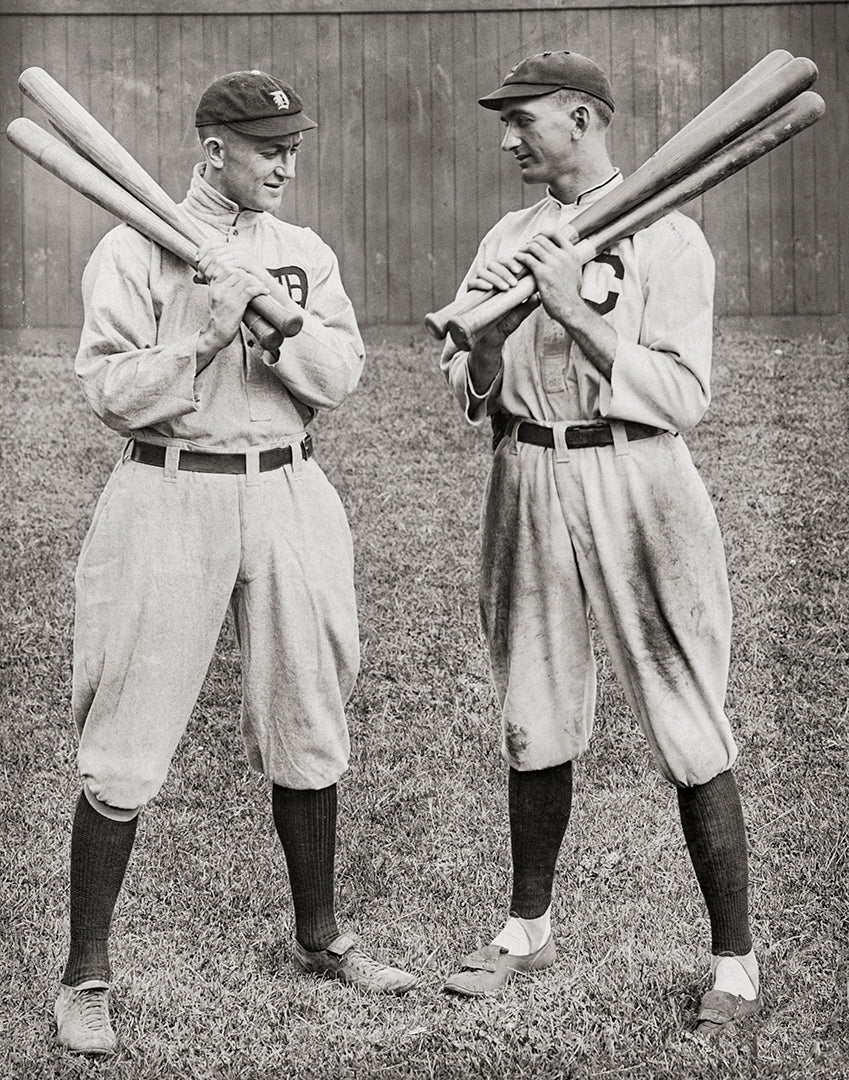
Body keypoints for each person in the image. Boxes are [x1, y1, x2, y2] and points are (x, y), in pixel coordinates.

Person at [55, 70, 417, 1057]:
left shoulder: (302, 252)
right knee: (127, 731)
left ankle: (321, 935)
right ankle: (85, 975)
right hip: (169, 489)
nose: (285, 164)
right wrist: (203, 337)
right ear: (214, 148)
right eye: (267, 148)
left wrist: (271, 320)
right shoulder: (132, 247)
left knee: (309, 711)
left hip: (289, 486)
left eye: (293, 146)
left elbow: (338, 375)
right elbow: (110, 393)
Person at [439, 51, 760, 1035]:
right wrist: (483, 346)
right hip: (528, 472)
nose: (507, 139)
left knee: (686, 712)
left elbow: (684, 394)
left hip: (637, 476)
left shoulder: (669, 234)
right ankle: (526, 929)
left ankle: (736, 966)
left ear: (580, 118)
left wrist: (573, 312)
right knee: (532, 708)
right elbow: (469, 387)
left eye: (523, 120)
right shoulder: (508, 236)